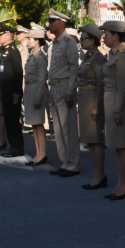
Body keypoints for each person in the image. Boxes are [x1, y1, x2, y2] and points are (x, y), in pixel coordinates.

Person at [100, 21, 125, 200]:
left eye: (106, 34)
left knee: (123, 146)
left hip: (119, 102)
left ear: (116, 36)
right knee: (117, 145)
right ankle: (120, 182)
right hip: (112, 101)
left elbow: (123, 86)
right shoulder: (114, 53)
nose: (103, 37)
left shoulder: (122, 55)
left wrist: (117, 109)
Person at [44, 10, 81, 177]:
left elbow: (74, 68)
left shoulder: (68, 42)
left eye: (52, 22)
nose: (49, 25)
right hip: (54, 87)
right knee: (58, 129)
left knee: (68, 128)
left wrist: (70, 91)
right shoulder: (55, 43)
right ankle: (65, 162)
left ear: (60, 23)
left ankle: (73, 164)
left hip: (64, 87)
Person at [75, 24, 107, 189]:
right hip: (85, 101)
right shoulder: (87, 57)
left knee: (96, 141)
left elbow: (101, 84)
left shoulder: (97, 58)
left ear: (92, 40)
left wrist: (96, 106)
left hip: (92, 101)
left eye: (83, 38)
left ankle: (100, 176)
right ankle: (97, 174)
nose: (81, 41)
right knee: (90, 141)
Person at [22, 28, 49, 166]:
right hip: (29, 90)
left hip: (36, 91)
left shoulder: (40, 56)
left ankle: (42, 154)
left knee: (38, 124)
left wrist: (38, 97)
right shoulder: (31, 55)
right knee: (34, 124)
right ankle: (38, 153)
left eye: (30, 39)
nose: (27, 41)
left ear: (37, 41)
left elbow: (42, 78)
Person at [0, 24, 25, 158]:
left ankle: (17, 148)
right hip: (5, 90)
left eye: (1, 35)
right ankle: (12, 145)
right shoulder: (4, 50)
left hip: (12, 91)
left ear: (8, 36)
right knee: (8, 120)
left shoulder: (13, 51)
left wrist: (17, 92)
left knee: (13, 120)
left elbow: (18, 72)